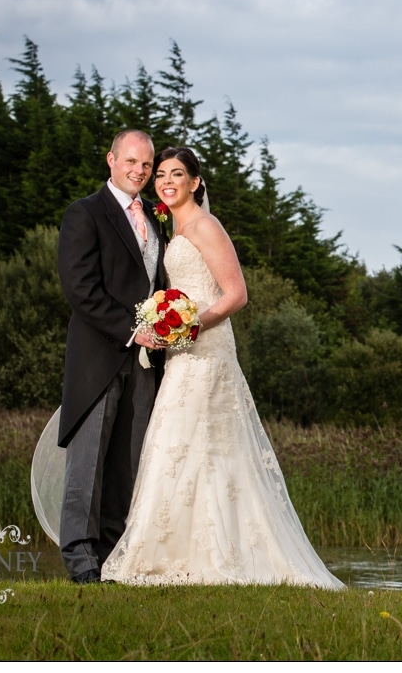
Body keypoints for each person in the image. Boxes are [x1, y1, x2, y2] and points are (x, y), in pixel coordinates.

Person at [101, 147, 344, 588]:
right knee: (180, 445)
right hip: (181, 352)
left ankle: (221, 556)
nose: (165, 181)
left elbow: (235, 294)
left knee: (207, 444)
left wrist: (190, 325)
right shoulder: (172, 231)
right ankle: (174, 552)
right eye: (160, 174)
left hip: (207, 349)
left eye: (177, 174)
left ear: (196, 182)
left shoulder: (205, 226)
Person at [57, 129, 168, 584]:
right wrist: (133, 331)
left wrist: (166, 325)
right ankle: (81, 562)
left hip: (144, 364)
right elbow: (80, 289)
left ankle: (111, 558)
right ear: (111, 159)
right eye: (131, 162)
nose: (139, 171)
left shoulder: (157, 223)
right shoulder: (85, 213)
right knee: (88, 464)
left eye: (146, 165)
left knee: (127, 462)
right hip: (99, 357)